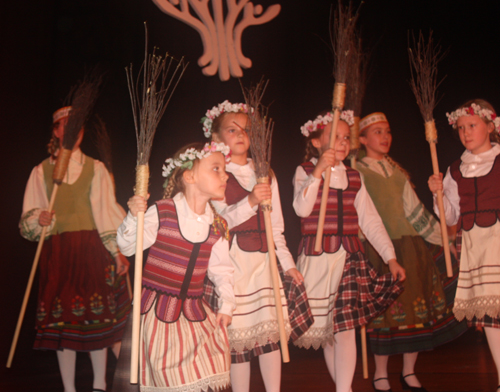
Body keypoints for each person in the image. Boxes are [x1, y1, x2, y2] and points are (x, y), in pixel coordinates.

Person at [202, 100, 312, 392]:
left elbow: (275, 227)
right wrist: (249, 202)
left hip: (264, 266)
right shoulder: (216, 173)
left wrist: (287, 264)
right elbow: (219, 223)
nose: (240, 135)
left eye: (246, 130)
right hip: (235, 264)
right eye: (231, 129)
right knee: (239, 341)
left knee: (269, 338)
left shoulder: (265, 173)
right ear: (216, 137)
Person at [292, 111, 406, 392]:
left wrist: (390, 257)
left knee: (345, 330)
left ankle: (345, 390)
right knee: (329, 334)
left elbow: (370, 220)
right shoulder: (305, 171)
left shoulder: (354, 177)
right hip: (318, 261)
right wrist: (318, 171)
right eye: (335, 138)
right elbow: (301, 209)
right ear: (317, 142)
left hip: (349, 260)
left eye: (346, 138)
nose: (342, 143)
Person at [19, 106, 131, 392]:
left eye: (78, 126)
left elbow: (106, 213)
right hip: (59, 254)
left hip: (92, 252)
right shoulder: (40, 171)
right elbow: (29, 218)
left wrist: (115, 250)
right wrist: (39, 218)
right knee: (62, 325)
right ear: (56, 131)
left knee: (98, 323)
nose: (72, 131)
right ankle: (69, 388)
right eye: (66, 126)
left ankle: (99, 384)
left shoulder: (95, 169)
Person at [356, 112, 467, 392]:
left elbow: (415, 212)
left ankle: (408, 371)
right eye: (378, 132)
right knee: (383, 313)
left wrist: (444, 238)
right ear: (362, 139)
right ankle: (381, 372)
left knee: (415, 309)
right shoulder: (356, 171)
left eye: (388, 131)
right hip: (379, 250)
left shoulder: (396, 172)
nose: (385, 137)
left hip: (409, 246)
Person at [117, 141, 235, 392]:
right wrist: (133, 216)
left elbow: (222, 270)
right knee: (171, 379)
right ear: (189, 175)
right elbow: (128, 247)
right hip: (159, 316)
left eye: (224, 169)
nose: (225, 175)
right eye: (216, 168)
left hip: (195, 315)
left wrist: (227, 304)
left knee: (208, 372)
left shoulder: (217, 225)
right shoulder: (163, 213)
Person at [428, 99, 500, 390]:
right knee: (492, 317)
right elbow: (452, 214)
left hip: (498, 239)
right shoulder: (456, 168)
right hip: (474, 245)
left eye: (472, 125)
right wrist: (437, 194)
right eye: (460, 128)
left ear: (490, 126)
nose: (466, 133)